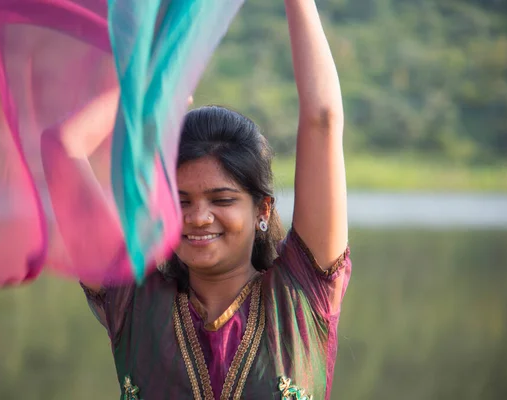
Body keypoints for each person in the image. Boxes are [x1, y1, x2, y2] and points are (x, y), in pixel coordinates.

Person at [42, 0, 351, 398]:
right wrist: (154, 90)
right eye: (181, 200)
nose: (198, 217)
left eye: (221, 200)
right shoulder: (133, 299)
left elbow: (323, 119)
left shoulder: (301, 298)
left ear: (263, 209)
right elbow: (59, 148)